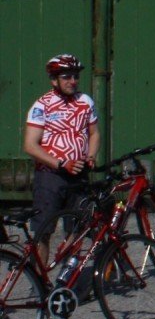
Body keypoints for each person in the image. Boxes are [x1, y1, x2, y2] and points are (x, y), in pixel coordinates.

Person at [24, 53, 100, 261]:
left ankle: (68, 281)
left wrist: (91, 155)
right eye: (66, 77)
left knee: (78, 229)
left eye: (75, 76)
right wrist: (61, 163)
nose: (73, 81)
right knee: (43, 232)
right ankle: (41, 284)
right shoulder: (42, 106)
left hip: (78, 174)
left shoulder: (85, 101)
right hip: (51, 176)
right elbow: (30, 145)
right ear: (54, 80)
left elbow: (94, 133)